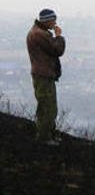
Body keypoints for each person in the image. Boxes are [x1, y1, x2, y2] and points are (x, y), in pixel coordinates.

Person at [26, 8, 66, 145]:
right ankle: (44, 137)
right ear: (47, 21)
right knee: (47, 107)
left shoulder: (38, 32)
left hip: (44, 74)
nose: (55, 23)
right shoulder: (40, 34)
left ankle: (48, 133)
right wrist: (59, 36)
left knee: (48, 106)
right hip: (43, 75)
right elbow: (57, 50)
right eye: (53, 20)